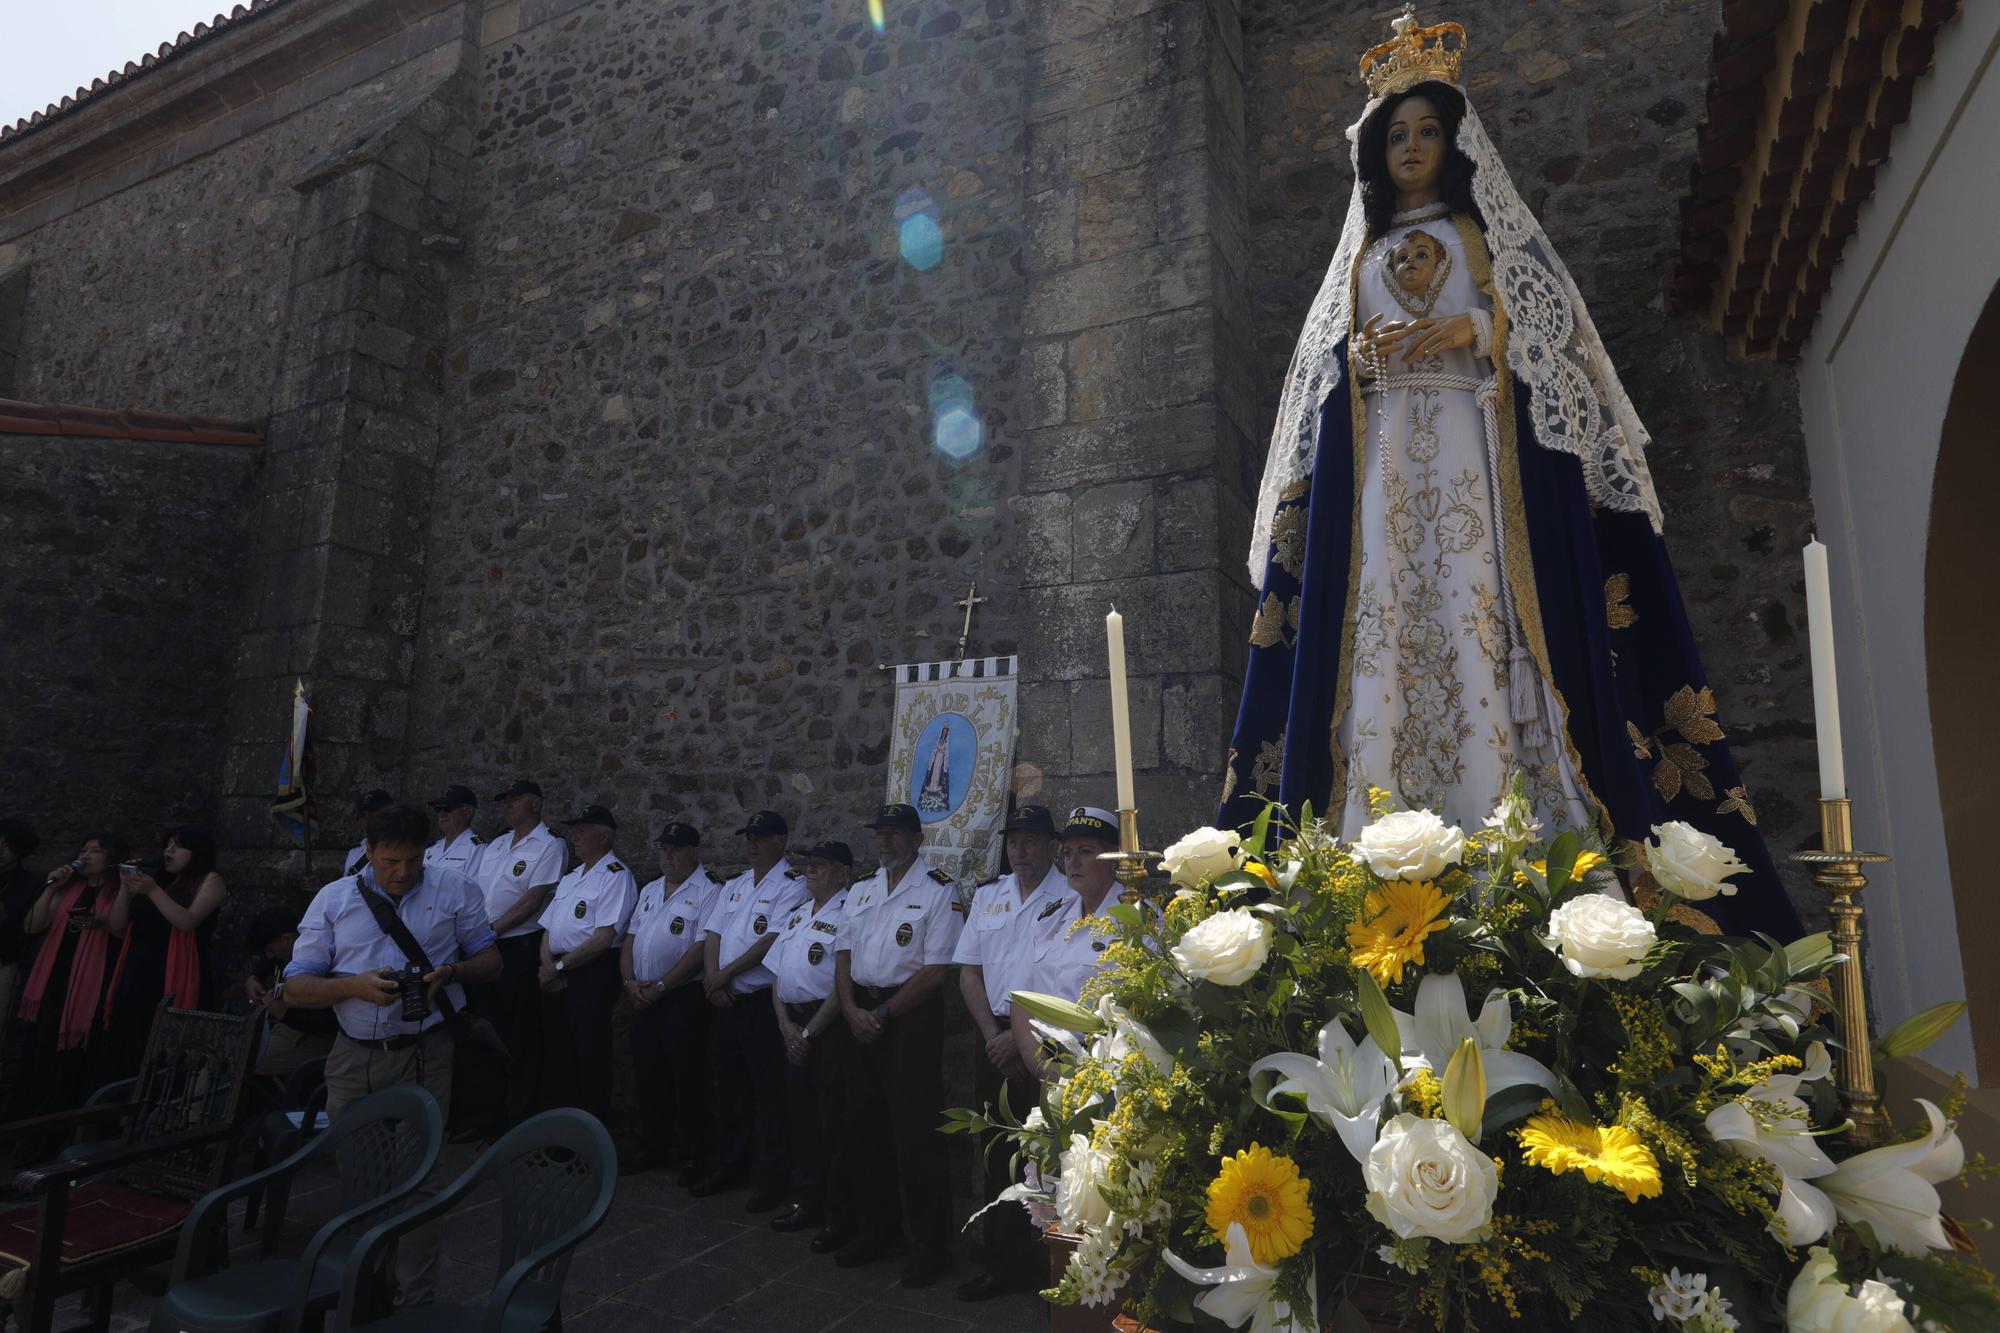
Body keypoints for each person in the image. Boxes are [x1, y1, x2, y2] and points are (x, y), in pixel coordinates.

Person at [1221, 13, 1801, 939]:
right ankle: (1372, 836)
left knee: (1480, 607)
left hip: (1470, 455)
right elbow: (1334, 374)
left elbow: (1532, 337)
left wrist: (1470, 332)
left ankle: (1515, 829)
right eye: (1397, 135)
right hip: (1384, 477)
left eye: (1426, 132)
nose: (1412, 147)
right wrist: (1367, 355)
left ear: (1454, 146)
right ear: (1377, 154)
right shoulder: (1363, 255)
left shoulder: (1475, 233)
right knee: (1386, 624)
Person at [280, 801, 500, 1305]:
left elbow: (491, 959)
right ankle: (366, 1284)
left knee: (421, 1178)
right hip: (353, 1056)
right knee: (360, 1176)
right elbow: (295, 987)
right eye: (390, 862)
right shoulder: (334, 900)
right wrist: (352, 987)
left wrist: (453, 973)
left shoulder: (455, 890)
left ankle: (413, 1298)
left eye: (414, 861)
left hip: (426, 1051)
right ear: (369, 852)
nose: (403, 874)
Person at [833, 802, 963, 1287]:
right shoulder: (862, 889)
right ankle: (879, 1231)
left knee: (916, 1137)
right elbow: (842, 954)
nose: (885, 841)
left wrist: (882, 1013)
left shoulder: (937, 891)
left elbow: (934, 972)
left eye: (895, 834)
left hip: (907, 1019)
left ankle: (932, 1247)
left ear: (916, 840)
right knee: (864, 1129)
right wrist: (849, 1010)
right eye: (880, 833)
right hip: (859, 1012)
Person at [951, 803, 1073, 1301]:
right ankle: (1003, 1262)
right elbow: (968, 971)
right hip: (994, 1040)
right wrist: (990, 1034)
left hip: (1050, 1043)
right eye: (1013, 843)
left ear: (1051, 847)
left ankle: (1058, 1265)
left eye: (1030, 842)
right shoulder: (989, 897)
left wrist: (1023, 1040)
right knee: (999, 1154)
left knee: (1056, 1156)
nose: (1020, 852)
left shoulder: (1070, 897)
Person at [694, 810, 805, 1211]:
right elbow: (713, 932)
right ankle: (731, 1166)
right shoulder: (737, 884)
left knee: (770, 1093)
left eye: (760, 838)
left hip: (759, 1002)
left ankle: (772, 1179)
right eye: (749, 838)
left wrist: (723, 975)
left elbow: (771, 941)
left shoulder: (792, 885)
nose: (752, 845)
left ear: (781, 841)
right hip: (725, 999)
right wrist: (712, 978)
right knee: (730, 1089)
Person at [620, 820, 723, 1181]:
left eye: (675, 849)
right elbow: (631, 940)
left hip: (681, 996)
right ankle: (652, 1146)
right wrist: (629, 982)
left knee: (688, 1077)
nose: (668, 856)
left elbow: (699, 950)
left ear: (693, 851)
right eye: (664, 849)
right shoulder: (649, 889)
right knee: (649, 1075)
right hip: (643, 995)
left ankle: (694, 1154)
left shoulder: (709, 891)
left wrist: (662, 986)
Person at [765, 840, 855, 1248]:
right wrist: (786, 1025)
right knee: (800, 1119)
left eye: (821, 865)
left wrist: (808, 1032)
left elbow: (843, 985)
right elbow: (777, 974)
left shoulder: (850, 911)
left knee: (834, 1124)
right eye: (809, 865)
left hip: (827, 1025)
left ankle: (838, 1216)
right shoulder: (799, 914)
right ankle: (807, 1201)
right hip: (793, 1023)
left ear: (842, 873)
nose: (811, 870)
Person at [464, 778, 565, 1137]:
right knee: (486, 1031)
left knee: (520, 1036)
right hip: (485, 945)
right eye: (505, 799)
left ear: (535, 804)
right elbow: (476, 893)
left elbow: (533, 899)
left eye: (515, 799)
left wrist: (492, 930)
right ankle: (486, 1115)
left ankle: (519, 1118)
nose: (507, 805)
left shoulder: (550, 845)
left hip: (518, 947)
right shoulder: (496, 845)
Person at [6, 834, 126, 1128]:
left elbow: (121, 929)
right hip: (54, 979)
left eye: (95, 850)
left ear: (110, 859)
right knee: (37, 1051)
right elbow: (31, 926)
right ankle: (24, 1119)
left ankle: (57, 1124)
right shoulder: (69, 889)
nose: (86, 855)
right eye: (83, 849)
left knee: (71, 1061)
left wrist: (102, 922)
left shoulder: (116, 893)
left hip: (89, 983)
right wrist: (51, 890)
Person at [100, 825, 228, 1080]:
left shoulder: (210, 880)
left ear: (197, 852)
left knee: (165, 1046)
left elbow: (187, 921)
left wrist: (152, 891)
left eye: (178, 846)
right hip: (137, 970)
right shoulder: (159, 881)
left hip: (175, 972)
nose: (169, 850)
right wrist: (126, 886)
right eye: (167, 844)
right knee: (128, 1042)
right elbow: (116, 927)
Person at [536, 804, 636, 1125]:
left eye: (583, 830)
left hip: (591, 973)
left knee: (589, 1055)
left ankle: (588, 1131)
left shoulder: (616, 876)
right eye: (575, 830)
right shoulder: (572, 877)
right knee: (557, 1054)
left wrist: (559, 968)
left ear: (603, 837)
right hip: (558, 969)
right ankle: (558, 1129)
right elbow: (548, 928)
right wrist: (547, 966)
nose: (575, 836)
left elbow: (604, 937)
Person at [1013, 808, 1124, 1079]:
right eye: (1067, 853)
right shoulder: (1053, 917)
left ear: (1113, 858)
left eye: (1085, 851)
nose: (1073, 862)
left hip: (1102, 1067)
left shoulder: (1134, 919)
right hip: (1043, 1061)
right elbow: (1021, 998)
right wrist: (1041, 1067)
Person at [243, 907, 338, 1092]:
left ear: (287, 939)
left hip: (311, 1039)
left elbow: (330, 1022)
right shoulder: (290, 951)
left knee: (231, 1057)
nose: (270, 956)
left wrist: (284, 1013)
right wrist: (253, 978)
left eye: (271, 949)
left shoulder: (326, 964)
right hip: (285, 1032)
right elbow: (269, 961)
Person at [0, 818, 42, 1057]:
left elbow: (28, 931)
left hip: (5, 964)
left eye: (9, 846)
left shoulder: (31, 883)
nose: (2, 851)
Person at [423, 785, 483, 876]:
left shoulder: (477, 848)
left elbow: (472, 888)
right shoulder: (431, 849)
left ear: (467, 813)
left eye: (448, 808)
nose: (441, 814)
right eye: (438, 809)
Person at [344, 789, 394, 876]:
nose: (367, 820)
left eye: (373, 815)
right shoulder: (355, 853)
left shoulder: (403, 849)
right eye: (363, 815)